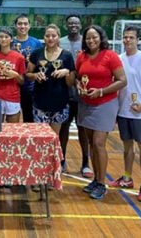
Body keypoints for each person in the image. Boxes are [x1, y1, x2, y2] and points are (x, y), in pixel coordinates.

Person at [109, 26, 141, 202]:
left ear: (137, 40)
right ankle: (127, 177)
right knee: (127, 146)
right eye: (125, 37)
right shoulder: (118, 59)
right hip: (123, 110)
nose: (127, 40)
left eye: (131, 37)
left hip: (140, 112)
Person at [76, 25, 127, 200]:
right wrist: (78, 87)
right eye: (88, 38)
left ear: (101, 37)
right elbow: (77, 77)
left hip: (105, 103)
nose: (91, 40)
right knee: (91, 143)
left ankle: (102, 183)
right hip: (86, 104)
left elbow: (122, 81)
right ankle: (96, 180)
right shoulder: (81, 56)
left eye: (94, 37)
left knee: (98, 143)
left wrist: (101, 91)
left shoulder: (110, 56)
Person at [26, 24, 75, 192]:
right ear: (44, 37)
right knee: (40, 142)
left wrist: (66, 73)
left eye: (54, 35)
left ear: (58, 37)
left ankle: (50, 175)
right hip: (40, 103)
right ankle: (37, 175)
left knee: (53, 141)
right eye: (47, 35)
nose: (50, 38)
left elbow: (71, 82)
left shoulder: (67, 56)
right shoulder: (37, 53)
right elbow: (28, 74)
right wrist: (35, 75)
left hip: (59, 103)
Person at [59, 14, 92, 178]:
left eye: (76, 23)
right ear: (66, 25)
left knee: (83, 129)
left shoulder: (87, 42)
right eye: (70, 22)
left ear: (80, 25)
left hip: (83, 93)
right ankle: (62, 160)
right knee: (63, 127)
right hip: (65, 92)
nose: (73, 25)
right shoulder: (61, 42)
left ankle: (86, 163)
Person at [0, 28, 26, 123]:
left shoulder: (19, 57)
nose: (3, 39)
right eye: (1, 37)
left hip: (13, 97)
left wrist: (15, 75)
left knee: (12, 131)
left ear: (11, 39)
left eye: (6, 37)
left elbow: (22, 81)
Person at [11, 14, 43, 122]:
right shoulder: (10, 42)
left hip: (30, 87)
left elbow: (41, 64)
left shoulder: (37, 43)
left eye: (25, 24)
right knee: (11, 118)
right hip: (12, 85)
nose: (22, 26)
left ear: (29, 26)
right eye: (20, 23)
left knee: (29, 118)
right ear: (15, 26)